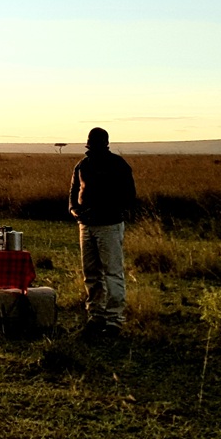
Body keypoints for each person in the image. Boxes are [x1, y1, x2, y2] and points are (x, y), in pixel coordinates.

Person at [67, 126, 136, 337]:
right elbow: (72, 194)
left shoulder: (118, 165)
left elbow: (129, 196)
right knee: (91, 273)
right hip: (86, 226)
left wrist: (109, 211)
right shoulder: (82, 165)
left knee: (112, 272)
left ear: (104, 144)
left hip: (109, 225)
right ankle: (96, 317)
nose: (92, 148)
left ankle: (114, 321)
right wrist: (75, 212)